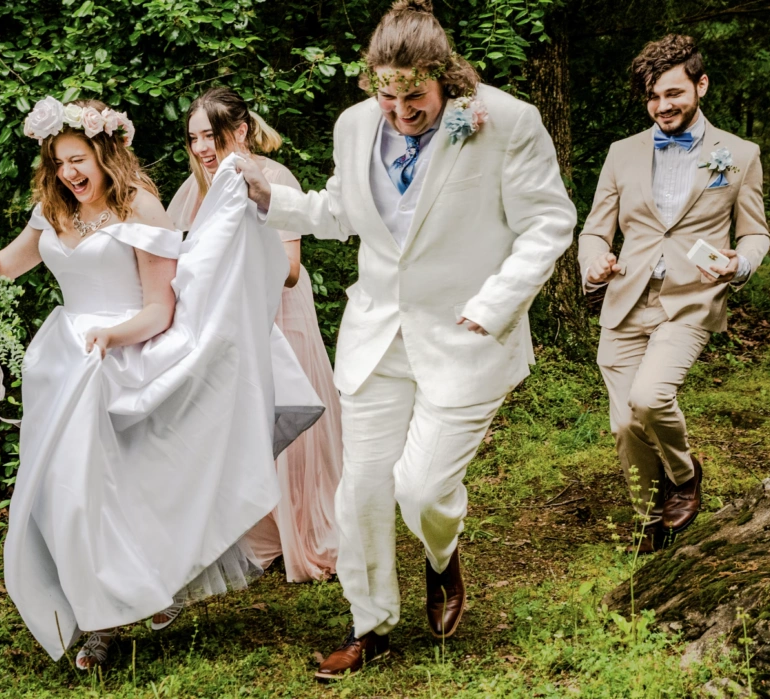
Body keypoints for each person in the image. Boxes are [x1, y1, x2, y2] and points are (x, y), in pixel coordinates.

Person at [236, 0, 576, 681]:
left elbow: (549, 222)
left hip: (466, 334)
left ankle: (442, 556)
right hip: (378, 336)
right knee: (359, 488)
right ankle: (370, 624)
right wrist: (274, 202)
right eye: (386, 95)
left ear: (444, 76)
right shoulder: (356, 125)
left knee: (421, 490)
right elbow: (340, 209)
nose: (398, 111)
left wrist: (496, 303)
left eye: (413, 95)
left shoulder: (506, 122)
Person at [0, 97, 322, 670]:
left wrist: (112, 338)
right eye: (59, 161)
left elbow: (159, 310)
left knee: (108, 497)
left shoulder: (139, 206)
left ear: (104, 152)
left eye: (78, 159)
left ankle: (104, 621)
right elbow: (2, 266)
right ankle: (95, 604)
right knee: (57, 498)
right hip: (59, 366)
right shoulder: (51, 209)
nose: (69, 173)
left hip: (120, 359)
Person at [578, 34, 770, 553]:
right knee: (624, 425)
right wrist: (594, 260)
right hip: (625, 300)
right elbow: (595, 229)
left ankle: (685, 476)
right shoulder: (622, 154)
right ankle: (649, 523)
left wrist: (742, 261)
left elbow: (756, 231)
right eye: (652, 96)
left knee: (650, 397)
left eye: (673, 93)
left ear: (700, 85)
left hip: (689, 301)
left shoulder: (739, 156)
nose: (662, 106)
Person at [168, 87, 343, 583]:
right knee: (244, 420)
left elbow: (289, 269)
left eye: (212, 135)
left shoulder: (273, 177)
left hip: (277, 314)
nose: (203, 147)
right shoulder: (195, 188)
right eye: (195, 137)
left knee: (289, 420)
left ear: (240, 131)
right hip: (230, 321)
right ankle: (263, 531)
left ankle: (304, 532)